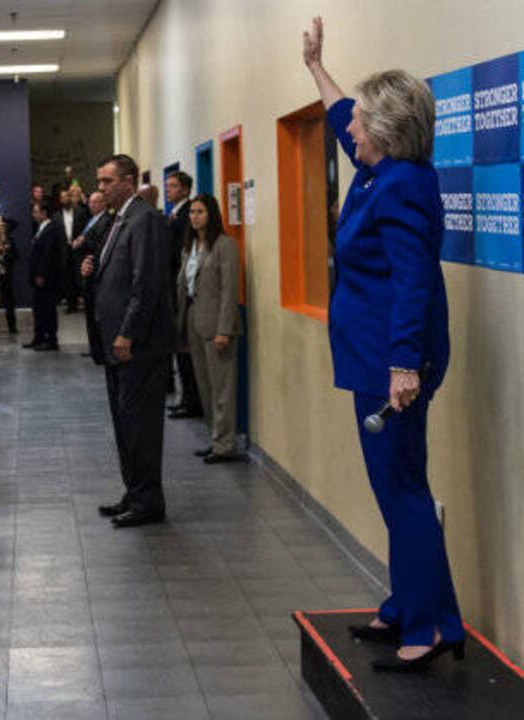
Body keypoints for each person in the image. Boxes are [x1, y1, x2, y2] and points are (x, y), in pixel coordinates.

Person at [302, 16, 461, 672]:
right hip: (375, 356)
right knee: (399, 487)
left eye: (363, 122)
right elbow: (341, 113)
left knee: (402, 492)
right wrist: (316, 66)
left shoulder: (401, 188)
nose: (351, 129)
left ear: (388, 131)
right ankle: (416, 607)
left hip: (392, 362)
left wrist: (402, 365)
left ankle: (426, 629)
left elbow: (413, 282)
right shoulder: (379, 172)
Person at [83, 154, 174, 528]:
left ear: (129, 181)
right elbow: (117, 274)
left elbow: (146, 283)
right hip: (116, 344)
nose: (101, 188)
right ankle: (134, 491)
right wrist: (91, 272)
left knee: (141, 426)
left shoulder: (145, 219)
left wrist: (128, 332)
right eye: (99, 181)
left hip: (138, 345)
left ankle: (148, 500)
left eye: (107, 181)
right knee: (125, 424)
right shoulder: (118, 220)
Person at [176, 194, 241, 463]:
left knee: (221, 387)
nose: (194, 217)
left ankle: (225, 444)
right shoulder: (189, 247)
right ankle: (215, 438)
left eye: (200, 211)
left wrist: (224, 329)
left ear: (211, 214)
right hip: (194, 319)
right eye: (192, 212)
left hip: (217, 325)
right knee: (204, 386)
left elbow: (229, 291)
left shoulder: (225, 245)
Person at [164, 170, 203, 420]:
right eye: (167, 185)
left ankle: (192, 401)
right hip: (175, 287)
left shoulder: (186, 215)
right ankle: (186, 397)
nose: (168, 190)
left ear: (186, 189)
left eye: (173, 186)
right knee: (180, 348)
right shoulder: (175, 213)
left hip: (182, 289)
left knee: (186, 349)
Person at [76, 190, 113, 362]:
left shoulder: (106, 220)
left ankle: (99, 350)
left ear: (103, 203)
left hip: (94, 270)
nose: (91, 205)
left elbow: (98, 243)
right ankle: (94, 348)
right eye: (90, 202)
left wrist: (82, 242)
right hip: (86, 269)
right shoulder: (92, 219)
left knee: (96, 315)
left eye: (95, 202)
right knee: (90, 314)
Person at [24, 199, 65, 351]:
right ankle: (39, 337)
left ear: (44, 213)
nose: (33, 214)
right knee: (39, 309)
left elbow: (47, 255)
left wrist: (41, 274)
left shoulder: (51, 229)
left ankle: (51, 340)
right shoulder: (41, 228)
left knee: (48, 309)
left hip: (46, 278)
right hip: (38, 277)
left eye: (36, 211)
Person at [59, 184, 90, 314]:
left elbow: (86, 229)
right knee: (67, 278)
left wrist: (80, 241)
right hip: (64, 251)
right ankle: (71, 306)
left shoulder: (80, 212)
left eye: (67, 196)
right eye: (62, 198)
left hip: (78, 249)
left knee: (80, 277)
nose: (65, 199)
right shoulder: (57, 216)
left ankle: (87, 303)